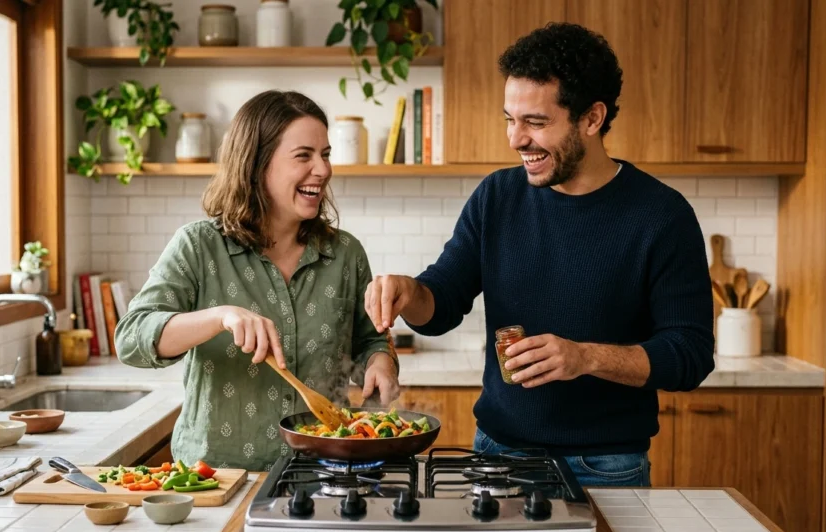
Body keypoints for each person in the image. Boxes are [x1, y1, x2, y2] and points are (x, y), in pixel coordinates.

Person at [364, 23, 714, 487]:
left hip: (606, 467)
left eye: (536, 122)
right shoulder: (497, 197)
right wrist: (410, 292)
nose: (516, 139)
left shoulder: (661, 215)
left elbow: (690, 354)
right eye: (510, 119)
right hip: (497, 454)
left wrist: (585, 357)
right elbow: (442, 302)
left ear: (591, 118)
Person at [114, 90, 400, 472]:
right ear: (257, 164)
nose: (323, 169)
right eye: (304, 156)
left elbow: (369, 341)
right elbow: (131, 337)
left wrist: (380, 363)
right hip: (217, 478)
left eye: (325, 154)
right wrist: (219, 317)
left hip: (323, 474)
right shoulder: (199, 246)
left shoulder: (345, 254)